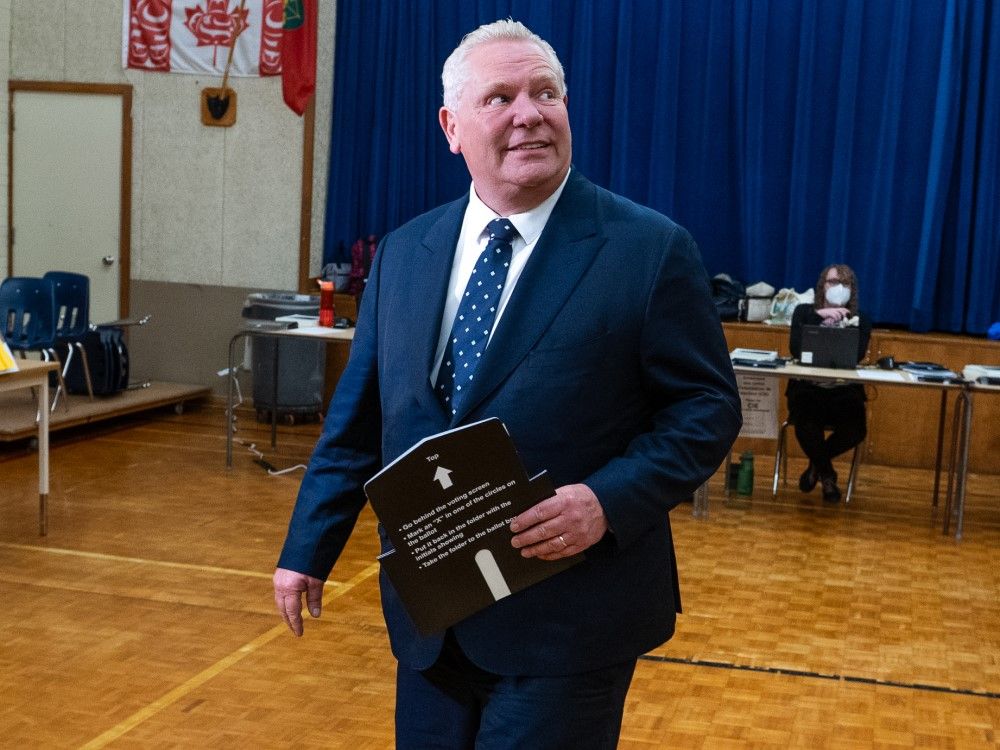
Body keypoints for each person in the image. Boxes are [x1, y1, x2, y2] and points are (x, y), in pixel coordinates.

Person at [273, 19, 741, 749]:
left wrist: (608, 502)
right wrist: (308, 548)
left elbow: (707, 409)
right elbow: (360, 421)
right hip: (433, 616)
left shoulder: (649, 251)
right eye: (500, 97)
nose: (529, 112)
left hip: (569, 619)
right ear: (451, 126)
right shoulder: (405, 253)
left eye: (545, 93)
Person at [787, 263, 872, 503]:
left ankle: (817, 466)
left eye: (844, 283)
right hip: (808, 388)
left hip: (843, 390)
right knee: (805, 422)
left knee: (856, 429)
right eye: (833, 282)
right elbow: (794, 349)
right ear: (822, 285)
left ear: (852, 290)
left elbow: (855, 356)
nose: (838, 288)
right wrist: (817, 318)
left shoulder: (860, 319)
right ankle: (828, 476)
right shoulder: (803, 312)